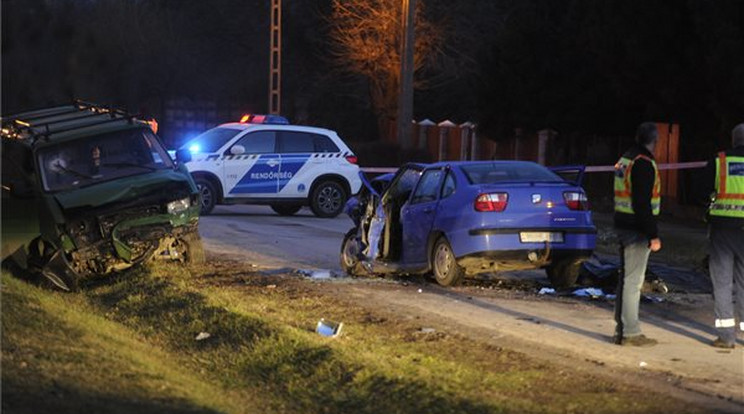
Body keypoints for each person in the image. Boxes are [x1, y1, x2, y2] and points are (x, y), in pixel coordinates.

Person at [613, 122, 662, 347]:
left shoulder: (626, 159)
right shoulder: (643, 163)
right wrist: (653, 234)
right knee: (633, 282)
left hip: (623, 223)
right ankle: (631, 333)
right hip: (636, 228)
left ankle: (621, 329)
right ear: (655, 141)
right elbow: (642, 203)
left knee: (625, 280)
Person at [702, 123, 744, 349]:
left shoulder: (719, 162)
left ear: (733, 140)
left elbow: (701, 192)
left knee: (722, 282)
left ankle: (726, 336)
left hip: (723, 231)